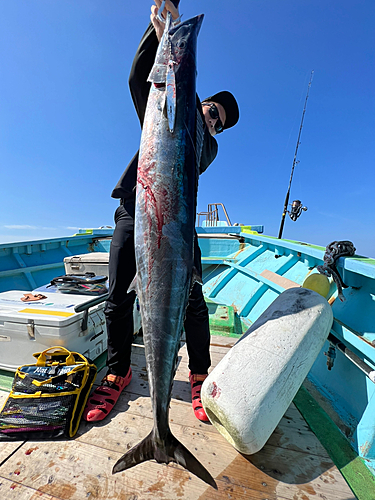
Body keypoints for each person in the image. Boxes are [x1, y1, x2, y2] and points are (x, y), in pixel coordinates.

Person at [83, 0, 239, 424]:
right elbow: (140, 78)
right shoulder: (162, 106)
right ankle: (118, 371)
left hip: (177, 227)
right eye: (211, 111)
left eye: (219, 122)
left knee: (194, 298)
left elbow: (190, 136)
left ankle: (199, 374)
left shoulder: (205, 145)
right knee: (116, 297)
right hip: (135, 211)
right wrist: (158, 32)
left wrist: (195, 117)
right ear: (198, 101)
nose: (212, 121)